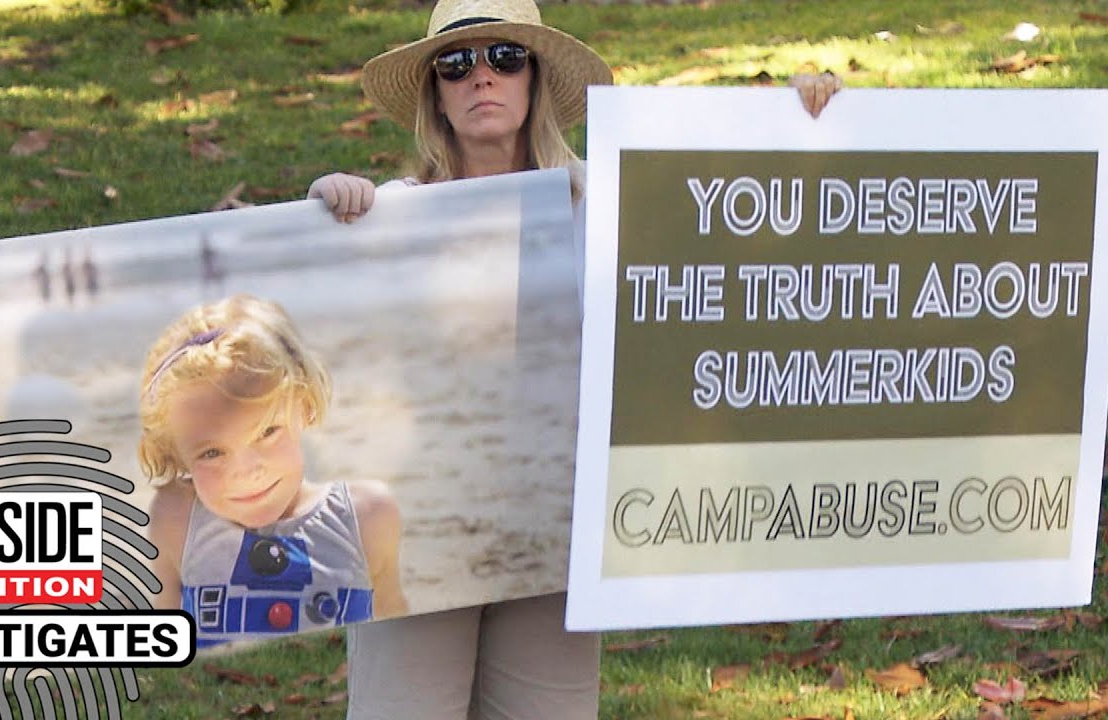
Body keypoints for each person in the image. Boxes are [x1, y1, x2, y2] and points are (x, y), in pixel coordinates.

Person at [307, 0, 839, 715]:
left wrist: (805, 123)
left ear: (535, 79)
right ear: (436, 91)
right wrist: (324, 214)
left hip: (558, 532)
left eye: (505, 58)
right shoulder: (391, 213)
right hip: (423, 538)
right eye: (457, 64)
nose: (482, 78)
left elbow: (741, 238)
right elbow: (304, 324)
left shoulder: (613, 195)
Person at [137, 294, 408, 649]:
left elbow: (397, 637)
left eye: (267, 432)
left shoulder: (366, 519)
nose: (246, 471)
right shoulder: (176, 520)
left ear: (305, 405)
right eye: (212, 452)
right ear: (177, 457)